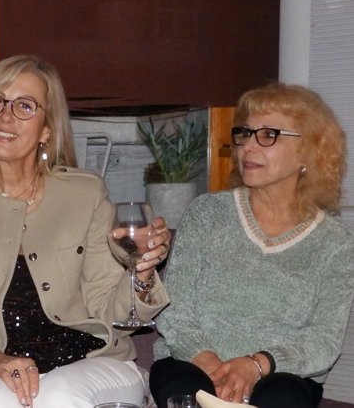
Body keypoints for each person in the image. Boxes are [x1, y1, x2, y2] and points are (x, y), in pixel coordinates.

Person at [0, 54, 171, 408]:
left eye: (25, 106)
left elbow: (113, 313)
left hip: (93, 361)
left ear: (47, 130)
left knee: (59, 395)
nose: (6, 116)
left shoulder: (85, 193)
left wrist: (141, 274)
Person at [150, 83, 354, 408]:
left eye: (269, 134)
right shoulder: (207, 213)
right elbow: (173, 308)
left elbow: (323, 341)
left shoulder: (335, 242)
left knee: (280, 398)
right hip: (192, 363)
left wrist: (256, 365)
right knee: (184, 392)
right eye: (245, 133)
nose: (248, 146)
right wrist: (211, 364)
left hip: (280, 376)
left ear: (310, 151)